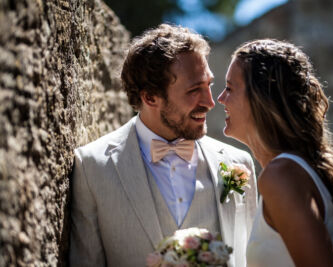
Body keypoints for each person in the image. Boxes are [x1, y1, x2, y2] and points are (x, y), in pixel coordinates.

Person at [69, 24, 257, 267]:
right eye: (193, 90)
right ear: (150, 97)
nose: (210, 102)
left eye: (208, 85)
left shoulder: (239, 163)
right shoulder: (92, 167)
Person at [217, 39, 333, 267]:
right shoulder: (293, 170)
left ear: (261, 97)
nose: (220, 98)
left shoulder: (281, 175)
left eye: (229, 88)